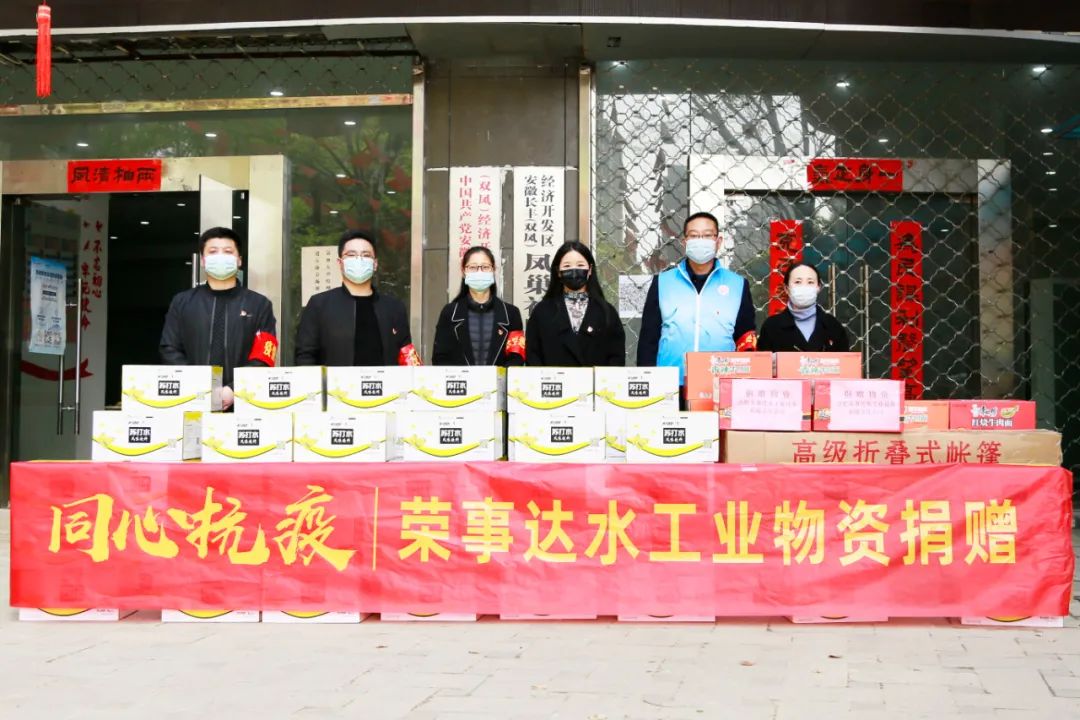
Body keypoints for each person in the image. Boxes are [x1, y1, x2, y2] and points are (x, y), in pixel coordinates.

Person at [159, 226, 277, 410]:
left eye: (228, 251)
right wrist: (198, 386)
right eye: (213, 252)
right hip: (192, 400)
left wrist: (234, 389)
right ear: (203, 260)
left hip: (246, 403)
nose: (220, 256)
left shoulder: (259, 304)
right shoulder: (182, 302)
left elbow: (264, 355)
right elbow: (169, 348)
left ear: (239, 260)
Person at [636, 211, 756, 385]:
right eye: (694, 235)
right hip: (670, 384)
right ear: (684, 242)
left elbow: (745, 339)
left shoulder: (737, 285)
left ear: (718, 242)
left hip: (721, 383)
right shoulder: (662, 282)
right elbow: (649, 338)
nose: (700, 240)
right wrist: (648, 380)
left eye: (707, 235)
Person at [295, 229, 419, 366]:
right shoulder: (319, 305)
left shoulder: (394, 308)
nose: (359, 259)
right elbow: (305, 356)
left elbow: (407, 357)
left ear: (375, 264)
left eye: (366, 255)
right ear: (340, 263)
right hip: (336, 381)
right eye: (351, 255)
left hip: (385, 380)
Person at [525, 241, 625, 367]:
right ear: (558, 271)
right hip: (553, 379)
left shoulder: (606, 312)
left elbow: (616, 357)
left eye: (580, 265)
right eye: (567, 266)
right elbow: (533, 356)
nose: (574, 270)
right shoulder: (542, 311)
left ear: (590, 270)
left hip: (596, 380)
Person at [432, 247, 525, 366]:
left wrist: (498, 375)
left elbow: (516, 357)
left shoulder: (511, 314)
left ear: (493, 270)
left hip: (498, 378)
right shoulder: (450, 313)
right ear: (463, 272)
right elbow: (440, 358)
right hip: (460, 378)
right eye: (473, 267)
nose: (479, 272)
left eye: (485, 267)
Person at [757, 262, 850, 352]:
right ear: (786, 288)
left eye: (810, 282)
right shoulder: (771, 327)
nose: (804, 287)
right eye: (798, 282)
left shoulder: (833, 325)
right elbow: (764, 361)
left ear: (818, 287)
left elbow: (845, 361)